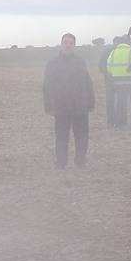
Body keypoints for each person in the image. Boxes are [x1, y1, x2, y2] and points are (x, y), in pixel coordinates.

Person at [43, 33, 94, 168]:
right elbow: (47, 85)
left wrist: (91, 100)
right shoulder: (52, 63)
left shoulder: (80, 62)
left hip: (80, 106)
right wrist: (48, 105)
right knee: (61, 137)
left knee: (82, 136)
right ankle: (61, 162)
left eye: (70, 43)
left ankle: (80, 160)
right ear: (61, 44)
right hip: (61, 107)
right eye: (65, 42)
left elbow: (87, 82)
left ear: (74, 45)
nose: (68, 45)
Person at [106, 36, 131, 128]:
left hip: (118, 82)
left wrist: (115, 74)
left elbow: (108, 67)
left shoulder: (113, 52)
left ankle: (118, 124)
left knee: (120, 103)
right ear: (128, 43)